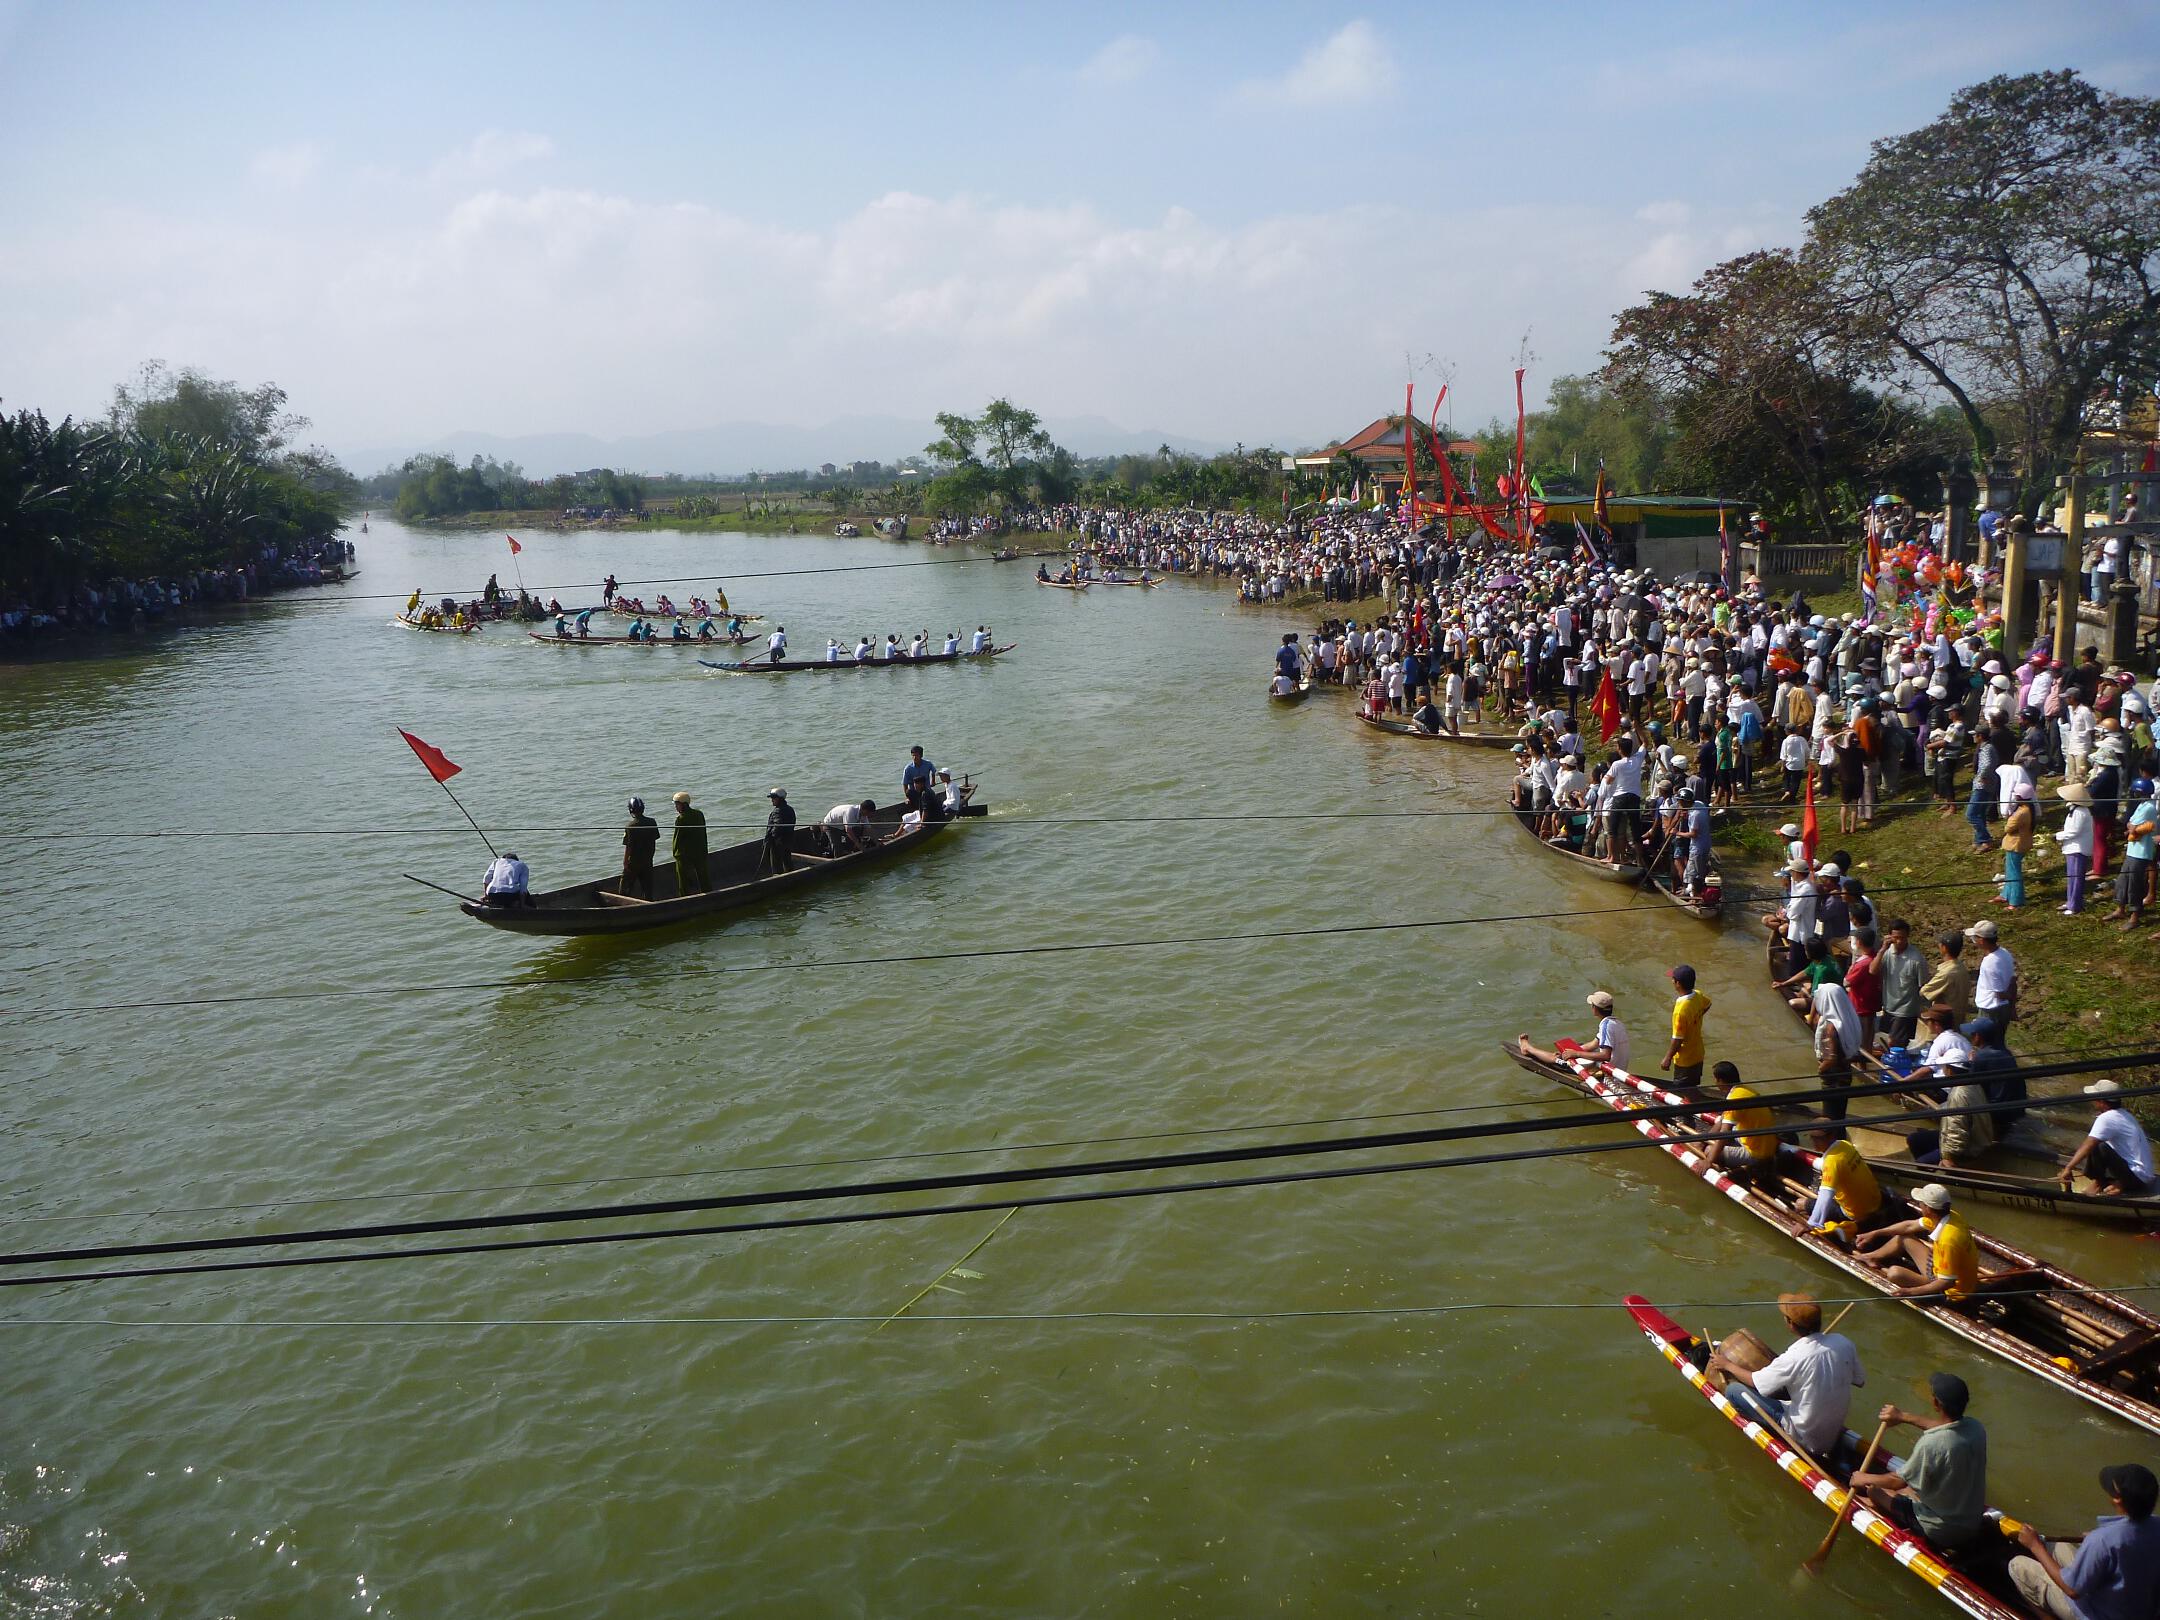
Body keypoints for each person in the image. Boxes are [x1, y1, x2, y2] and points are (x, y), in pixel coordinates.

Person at [1707, 1292, 1865, 1460]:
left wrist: (1727, 1365)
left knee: (1734, 1390)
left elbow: (1755, 1381)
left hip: (1803, 1435)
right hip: (1831, 1433)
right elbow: (1859, 1380)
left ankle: (1777, 1434)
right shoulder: (1842, 1341)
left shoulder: (1795, 1355)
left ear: (1790, 1323)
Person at [1850, 1372, 1988, 1554]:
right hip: (1971, 1520)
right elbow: (1943, 1429)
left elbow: (1896, 1481)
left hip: (1940, 1529)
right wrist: (1902, 1416)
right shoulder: (1975, 1428)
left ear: (1936, 1404)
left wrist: (1863, 1477)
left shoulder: (1930, 1445)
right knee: (1907, 1491)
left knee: (1874, 1491)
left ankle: (1869, 1502)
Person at [2008, 1462, 2160, 1620]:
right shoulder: (2156, 1526)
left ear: (2117, 1500)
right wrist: (2100, 1538)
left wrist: (2034, 1546)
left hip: (2097, 1614)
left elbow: (2072, 1590)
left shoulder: (2102, 1540)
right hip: (2136, 1610)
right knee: (2057, 1546)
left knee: (2017, 1566)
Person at [1857, 1182, 1978, 1301]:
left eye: (1921, 1203)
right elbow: (1908, 1226)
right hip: (1939, 1267)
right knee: (1903, 1237)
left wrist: (1911, 1292)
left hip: (1950, 1292)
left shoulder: (1947, 1240)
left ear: (1928, 1209)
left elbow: (1946, 1282)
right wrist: (1875, 1233)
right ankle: (1869, 1257)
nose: (1919, 1204)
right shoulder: (1950, 1216)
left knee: (1894, 1273)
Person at [2062, 1079, 2159, 1196]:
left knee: (2098, 1146)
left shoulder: (2107, 1118)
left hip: (2136, 1178)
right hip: (2144, 1176)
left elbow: (2088, 1144)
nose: (2092, 1101)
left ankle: (2098, 1184)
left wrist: (2068, 1168)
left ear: (2101, 1101)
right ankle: (2115, 1183)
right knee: (2102, 1146)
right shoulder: (2125, 1115)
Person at [1660, 964, 1710, 1091]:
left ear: (1678, 984)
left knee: (1681, 1090)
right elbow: (1708, 1004)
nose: (1672, 981)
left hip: (1685, 1059)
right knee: (1692, 1086)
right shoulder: (1698, 995)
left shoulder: (1680, 1010)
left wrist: (1667, 1058)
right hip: (1698, 1053)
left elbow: (1678, 1039)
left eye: (1673, 979)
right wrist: (1695, 1020)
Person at [1969, 917, 2016, 1028]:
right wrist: (2012, 1007)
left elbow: (2000, 994)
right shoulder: (2005, 953)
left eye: (1975, 938)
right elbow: (2012, 981)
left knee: (1987, 1042)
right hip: (2002, 1009)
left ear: (1981, 940)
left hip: (1990, 1010)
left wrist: (2009, 1000)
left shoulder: (1989, 963)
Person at [620, 796, 658, 899]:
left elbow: (629, 847)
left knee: (625, 887)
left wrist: (625, 862)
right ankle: (649, 903)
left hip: (634, 862)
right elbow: (654, 840)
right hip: (648, 860)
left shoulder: (630, 826)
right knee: (647, 888)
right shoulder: (652, 822)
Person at [671, 791, 708, 895]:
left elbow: (677, 839)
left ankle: (684, 896)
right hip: (700, 851)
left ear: (683, 805)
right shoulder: (699, 814)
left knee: (682, 876)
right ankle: (708, 892)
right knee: (703, 875)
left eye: (677, 804)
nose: (676, 807)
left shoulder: (681, 819)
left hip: (685, 855)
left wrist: (675, 854)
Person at [762, 787, 796, 873]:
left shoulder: (777, 811)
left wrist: (771, 838)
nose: (772, 800)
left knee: (776, 863)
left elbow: (778, 826)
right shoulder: (790, 809)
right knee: (787, 860)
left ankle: (777, 877)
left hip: (778, 842)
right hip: (788, 840)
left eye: (773, 798)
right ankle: (790, 874)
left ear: (779, 799)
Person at [902, 745, 937, 814]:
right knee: (909, 792)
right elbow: (905, 784)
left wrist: (933, 780)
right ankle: (918, 811)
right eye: (913, 755)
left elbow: (933, 771)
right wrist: (907, 797)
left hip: (926, 789)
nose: (914, 758)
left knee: (932, 799)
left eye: (916, 755)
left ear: (921, 755)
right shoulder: (908, 768)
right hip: (915, 792)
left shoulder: (928, 764)